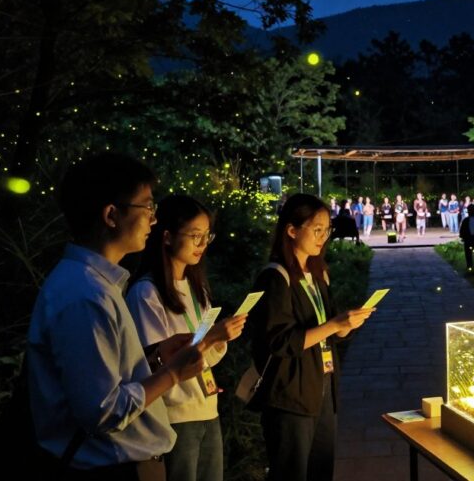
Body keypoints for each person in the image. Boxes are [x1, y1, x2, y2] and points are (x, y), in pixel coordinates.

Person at [27, 153, 205, 479]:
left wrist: (154, 358)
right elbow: (102, 411)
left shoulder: (98, 285)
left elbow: (106, 378)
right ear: (111, 215)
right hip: (113, 467)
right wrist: (173, 374)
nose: (154, 219)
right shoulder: (85, 295)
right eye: (147, 207)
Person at [247, 194, 375, 481]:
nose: (323, 236)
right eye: (316, 229)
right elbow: (280, 342)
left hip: (323, 385)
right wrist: (333, 325)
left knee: (321, 468)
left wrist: (344, 326)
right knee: (291, 470)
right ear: (291, 230)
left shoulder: (318, 274)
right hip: (290, 392)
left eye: (327, 229)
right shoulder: (275, 278)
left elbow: (326, 328)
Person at [126, 195, 248, 481]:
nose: (202, 244)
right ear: (167, 236)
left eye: (207, 236)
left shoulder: (196, 287)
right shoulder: (146, 293)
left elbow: (206, 358)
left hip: (207, 408)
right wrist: (209, 339)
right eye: (195, 235)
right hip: (175, 415)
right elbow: (160, 364)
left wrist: (221, 339)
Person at [459, 204, 474, 273]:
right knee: (473, 255)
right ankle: (473, 267)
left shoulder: (467, 220)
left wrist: (462, 237)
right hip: (473, 240)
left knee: (470, 255)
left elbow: (462, 231)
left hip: (470, 240)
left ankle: (471, 267)